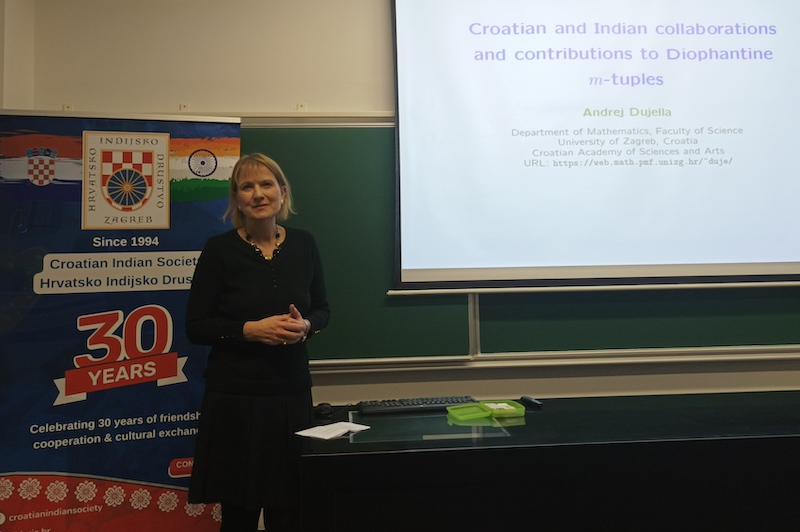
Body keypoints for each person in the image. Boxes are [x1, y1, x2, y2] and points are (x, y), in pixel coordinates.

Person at [185, 153, 330, 531]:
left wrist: (306, 327)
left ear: (282, 192)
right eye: (247, 186)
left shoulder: (305, 243)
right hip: (236, 399)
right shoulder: (218, 250)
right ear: (236, 197)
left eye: (266, 184)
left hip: (291, 393)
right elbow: (196, 327)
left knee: (290, 511)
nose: (258, 194)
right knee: (239, 514)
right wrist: (250, 330)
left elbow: (323, 310)